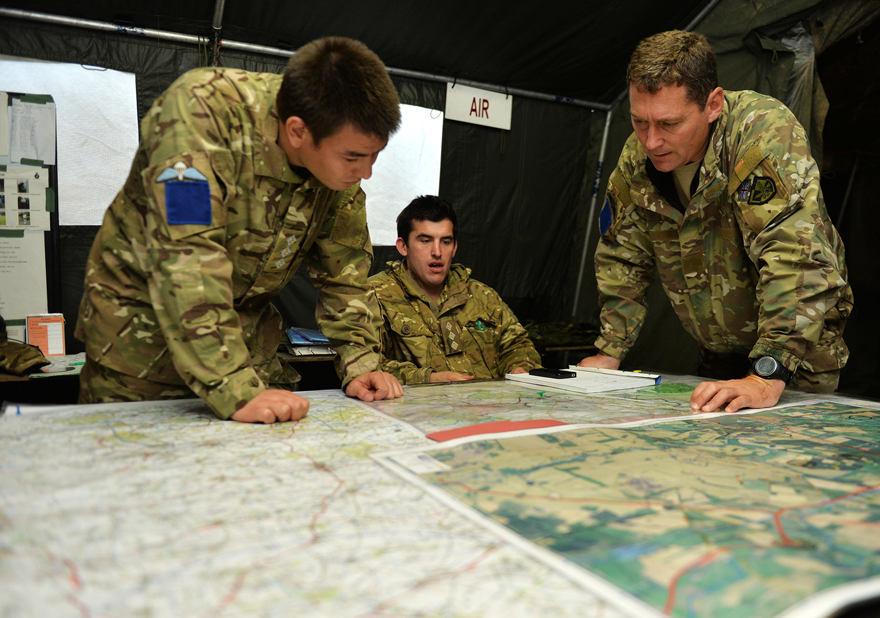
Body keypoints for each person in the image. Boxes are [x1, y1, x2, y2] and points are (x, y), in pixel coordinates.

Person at [75, 37, 404, 424]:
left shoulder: (339, 177)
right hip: (142, 357)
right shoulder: (201, 113)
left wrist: (360, 363)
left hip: (245, 357)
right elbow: (187, 259)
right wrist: (233, 388)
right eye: (354, 156)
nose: (365, 172)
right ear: (297, 131)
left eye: (374, 156)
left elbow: (344, 276)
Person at [579, 30, 853, 413]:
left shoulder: (760, 132)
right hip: (716, 350)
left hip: (795, 356)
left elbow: (794, 254)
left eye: (669, 124)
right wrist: (609, 351)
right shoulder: (636, 160)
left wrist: (766, 372)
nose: (651, 141)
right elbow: (622, 256)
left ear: (713, 104)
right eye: (639, 121)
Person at [371, 195, 541, 383]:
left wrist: (520, 368)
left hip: (488, 406)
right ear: (403, 247)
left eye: (445, 241)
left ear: (454, 248)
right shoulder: (376, 295)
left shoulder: (481, 295)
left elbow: (518, 345)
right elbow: (365, 364)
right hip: (418, 408)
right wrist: (428, 379)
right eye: (425, 241)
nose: (437, 252)